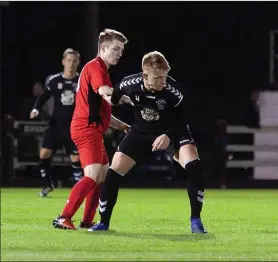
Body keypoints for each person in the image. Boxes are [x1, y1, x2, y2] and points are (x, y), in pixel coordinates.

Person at [88, 51, 207, 234]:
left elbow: (184, 118)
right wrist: (106, 110)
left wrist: (168, 135)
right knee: (113, 174)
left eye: (165, 76)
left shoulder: (172, 91)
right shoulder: (129, 84)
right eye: (158, 77)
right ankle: (103, 223)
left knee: (194, 166)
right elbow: (113, 97)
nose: (163, 81)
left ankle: (196, 221)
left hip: (172, 130)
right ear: (145, 75)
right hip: (142, 131)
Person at [52, 29, 130, 230]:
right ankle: (63, 217)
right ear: (103, 48)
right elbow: (105, 93)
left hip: (92, 129)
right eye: (115, 49)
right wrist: (129, 98)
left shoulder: (100, 69)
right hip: (86, 129)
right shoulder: (96, 67)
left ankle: (87, 221)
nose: (119, 53)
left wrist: (122, 126)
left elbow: (103, 110)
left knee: (102, 175)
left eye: (121, 50)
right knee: (94, 174)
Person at [30, 48, 83, 197]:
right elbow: (43, 97)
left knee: (76, 158)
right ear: (63, 62)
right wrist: (35, 109)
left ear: (78, 62)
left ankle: (80, 189)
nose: (71, 64)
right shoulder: (55, 80)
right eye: (68, 60)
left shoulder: (81, 81)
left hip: (73, 126)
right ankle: (47, 185)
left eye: (74, 61)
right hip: (56, 125)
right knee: (44, 154)